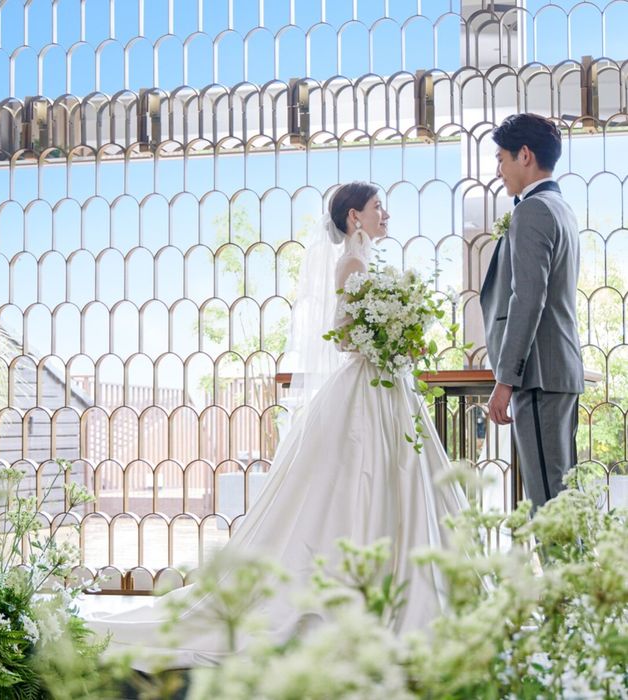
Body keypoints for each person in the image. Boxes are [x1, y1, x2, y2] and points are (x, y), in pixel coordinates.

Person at [81, 182, 466, 670]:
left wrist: (400, 336)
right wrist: (388, 335)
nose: (385, 214)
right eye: (377, 207)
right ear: (354, 217)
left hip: (386, 386)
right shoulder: (351, 264)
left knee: (398, 479)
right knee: (355, 481)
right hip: (365, 386)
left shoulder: (369, 262)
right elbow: (344, 336)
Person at [481, 113, 584, 509]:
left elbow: (527, 298)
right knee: (561, 496)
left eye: (501, 158)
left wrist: (506, 379)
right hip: (560, 371)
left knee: (548, 502)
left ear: (524, 155)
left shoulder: (533, 210)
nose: (499, 170)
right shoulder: (561, 208)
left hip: (538, 374)